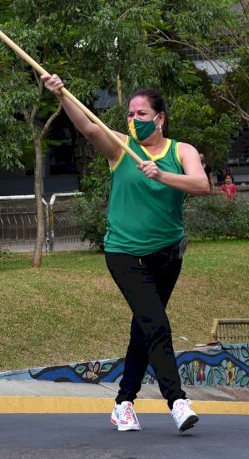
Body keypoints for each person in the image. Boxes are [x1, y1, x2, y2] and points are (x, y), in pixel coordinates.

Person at [42, 73, 209, 433]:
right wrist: (61, 94)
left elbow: (201, 185)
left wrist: (162, 175)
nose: (134, 121)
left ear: (160, 118)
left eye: (142, 114)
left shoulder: (181, 151)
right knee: (157, 324)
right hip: (124, 253)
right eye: (130, 115)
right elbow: (88, 128)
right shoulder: (121, 148)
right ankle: (177, 402)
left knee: (143, 329)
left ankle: (123, 403)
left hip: (167, 254)